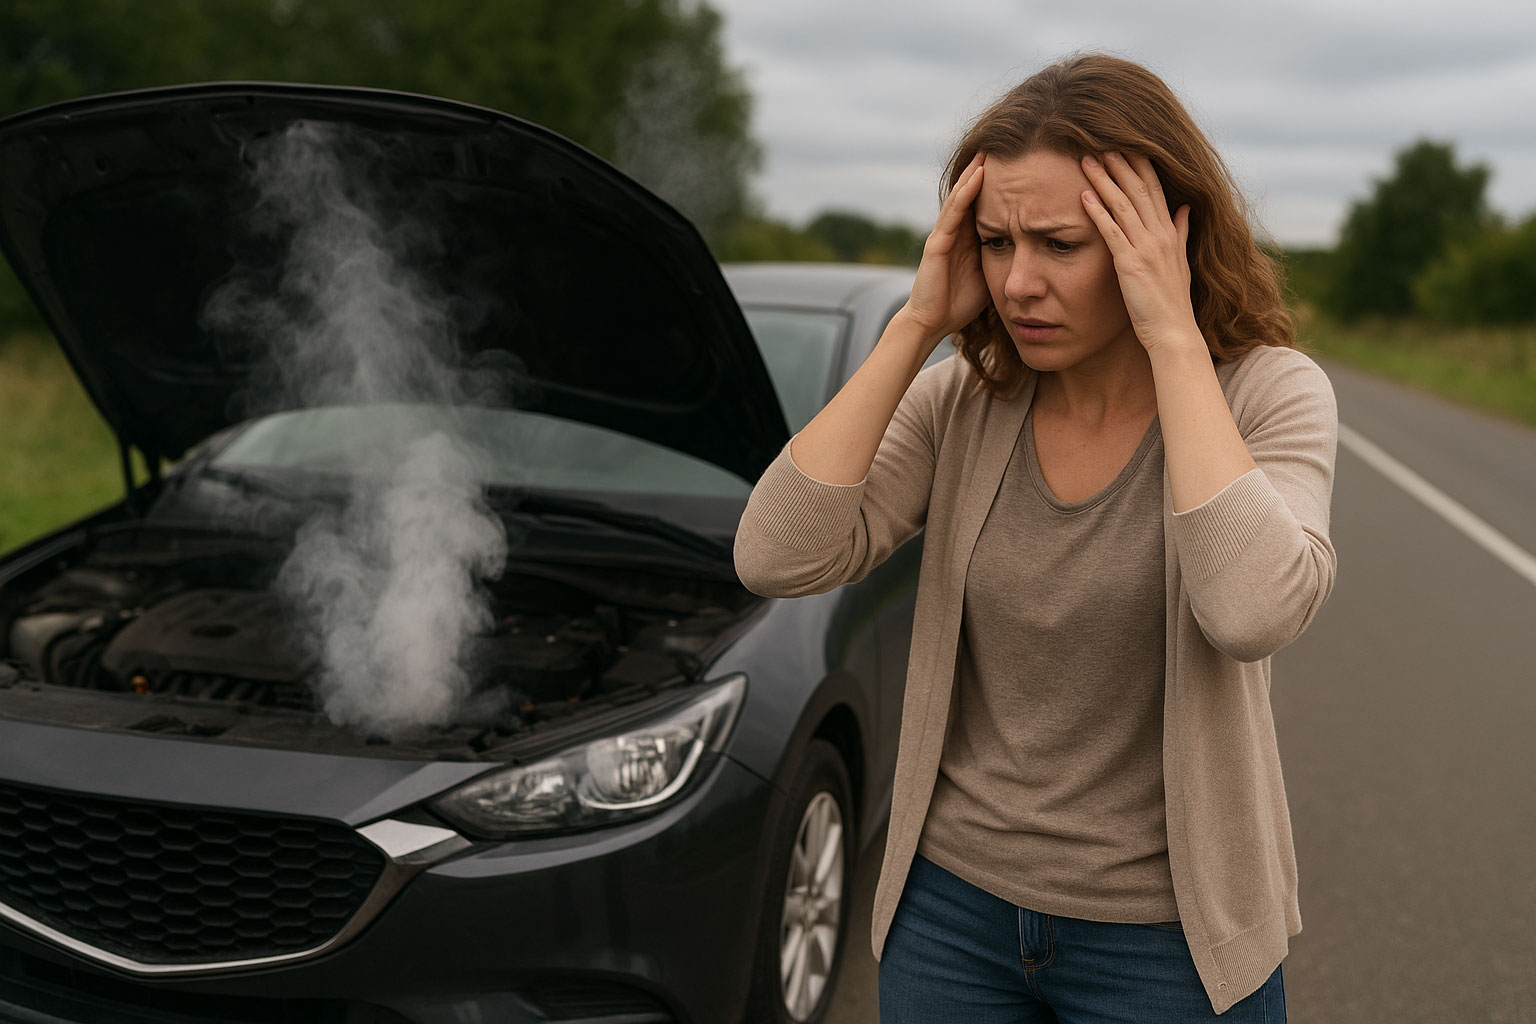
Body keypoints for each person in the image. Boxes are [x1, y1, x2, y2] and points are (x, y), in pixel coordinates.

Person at [734, 53, 1337, 1022]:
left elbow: (1252, 607)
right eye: (995, 241)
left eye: (1060, 244)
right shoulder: (965, 402)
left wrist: (1174, 336)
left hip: (1167, 943)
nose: (1018, 282)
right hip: (951, 918)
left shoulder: (1269, 394)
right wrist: (918, 322)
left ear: (1161, 241)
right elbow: (774, 554)